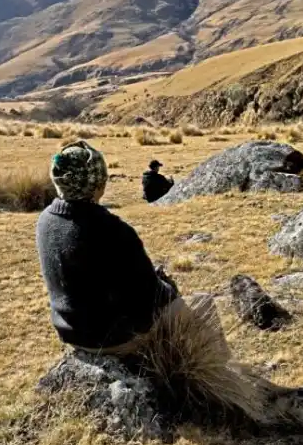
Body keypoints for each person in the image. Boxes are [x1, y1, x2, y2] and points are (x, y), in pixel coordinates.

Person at [36, 141, 226, 358]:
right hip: (113, 339)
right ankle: (224, 378)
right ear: (98, 183)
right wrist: (168, 287)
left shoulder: (45, 220)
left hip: (71, 332)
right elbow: (151, 296)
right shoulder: (111, 229)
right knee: (203, 303)